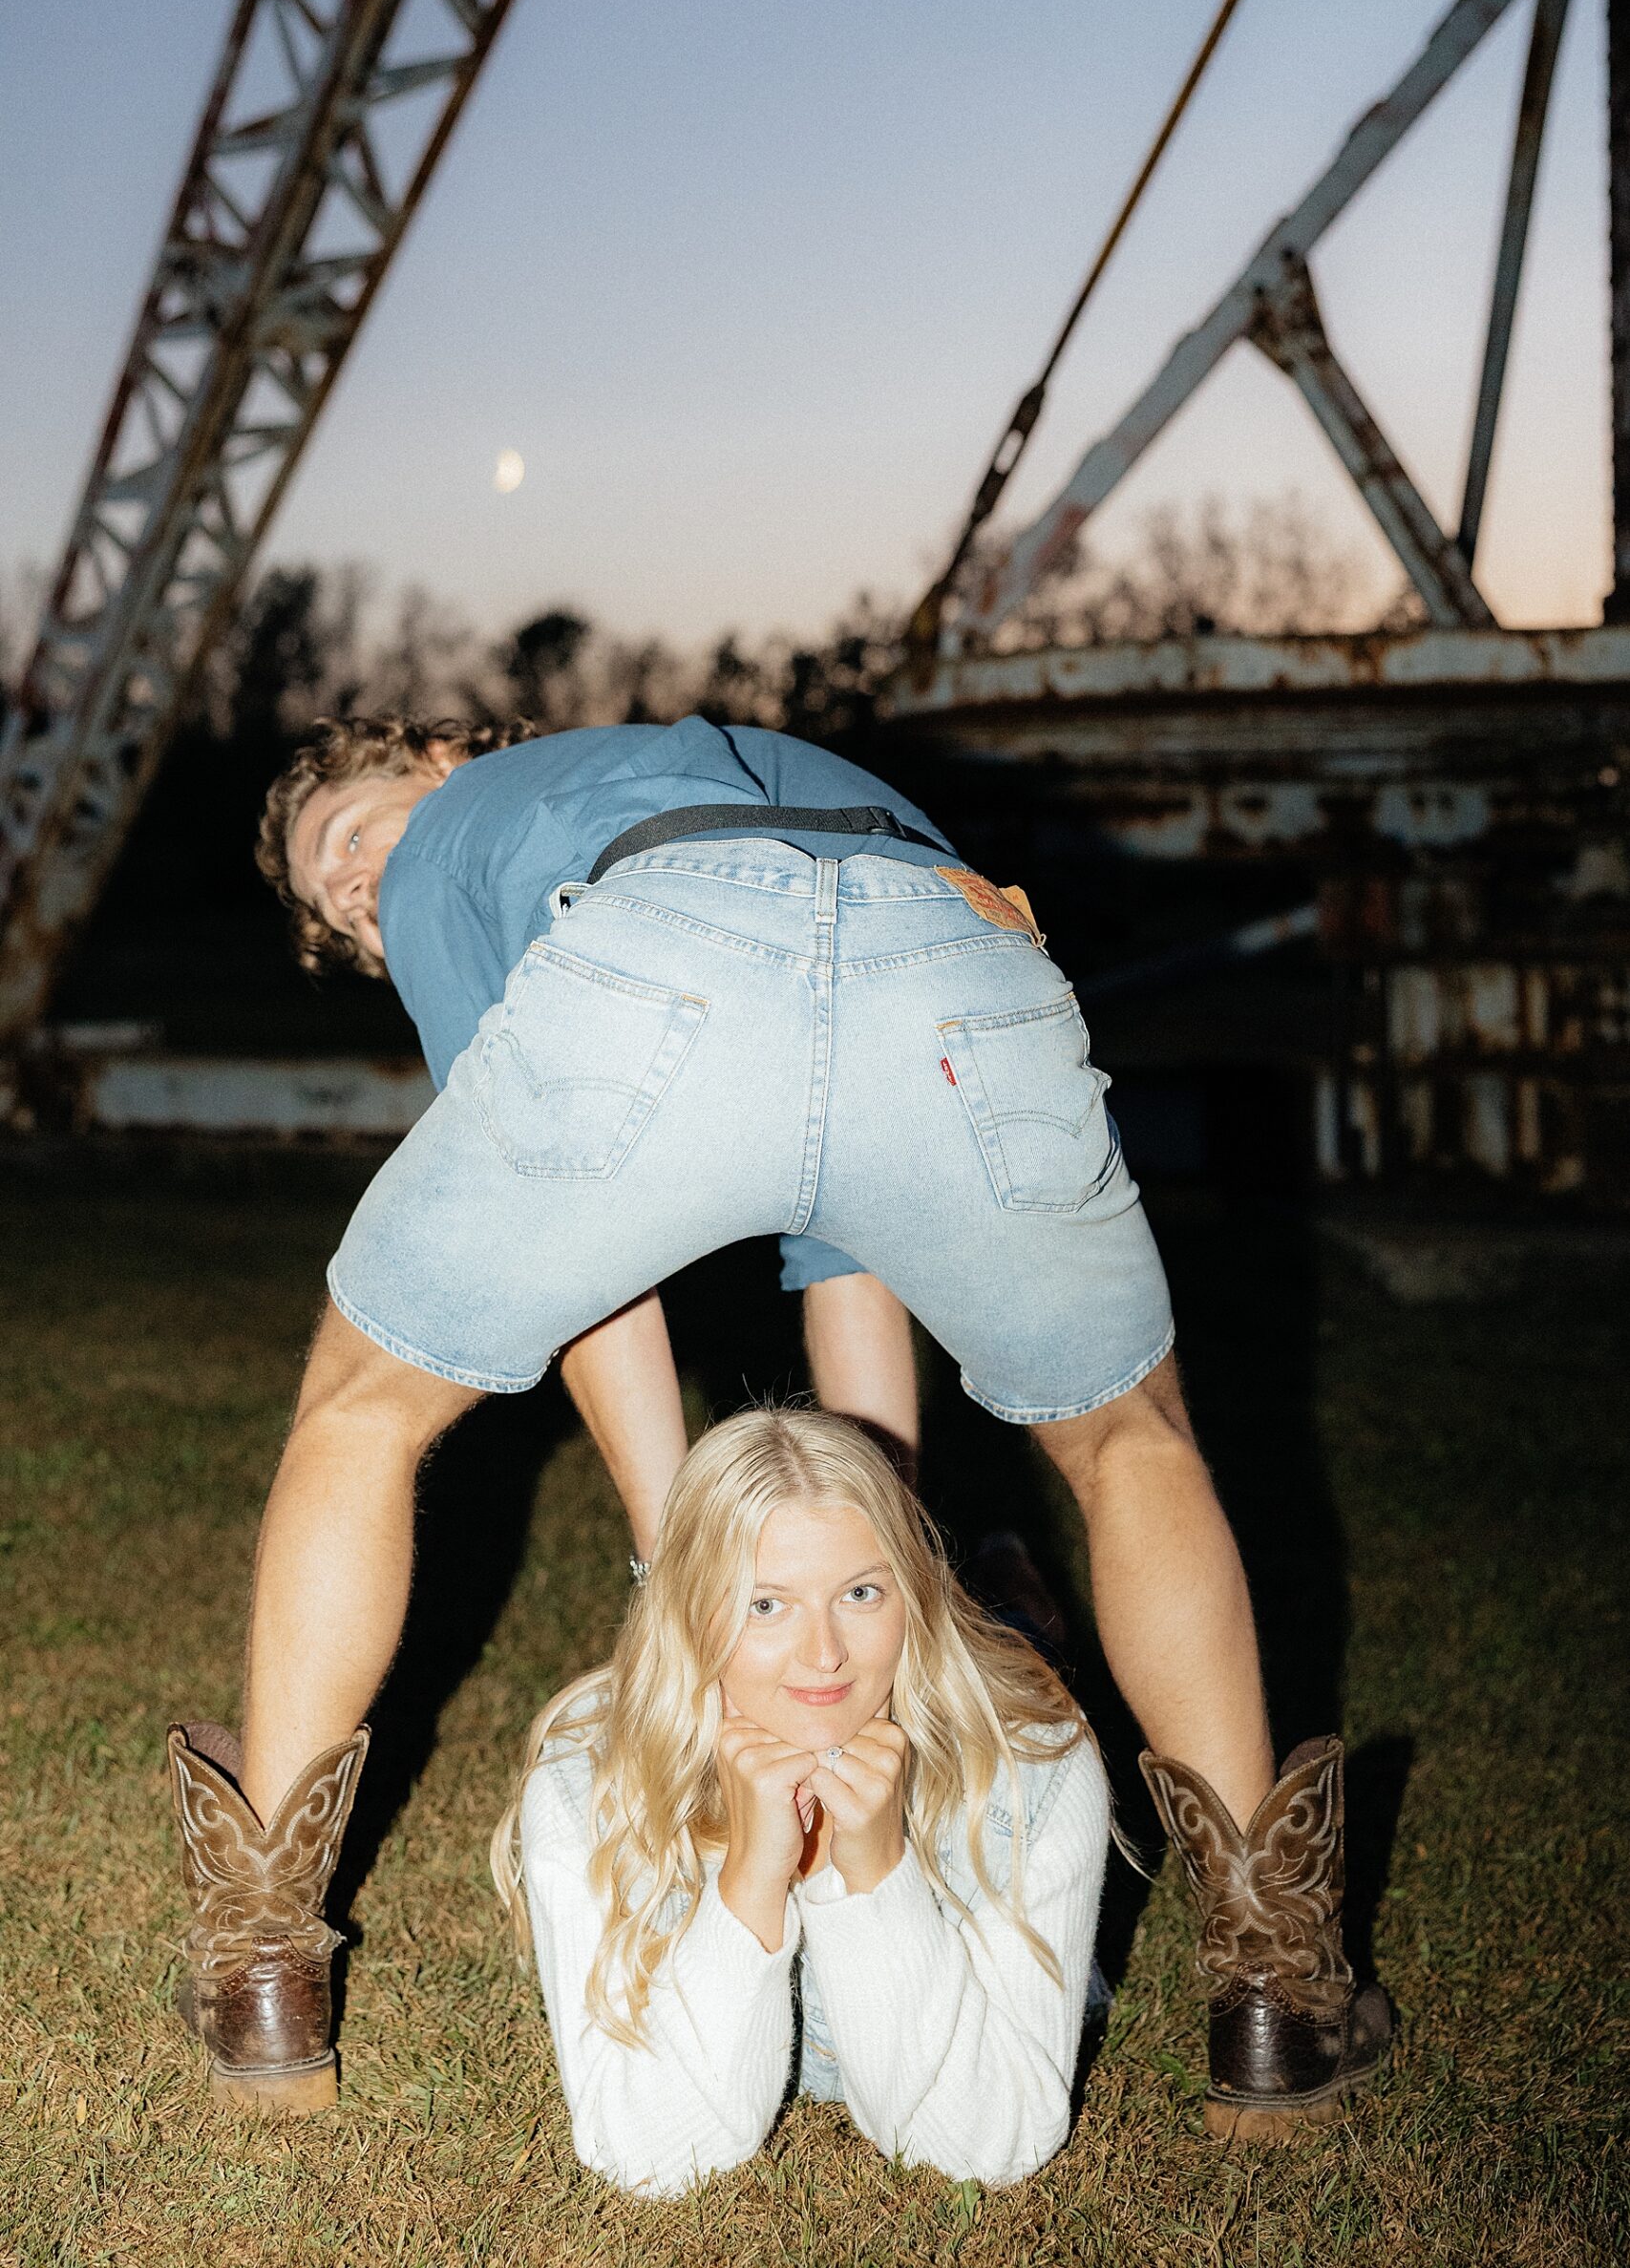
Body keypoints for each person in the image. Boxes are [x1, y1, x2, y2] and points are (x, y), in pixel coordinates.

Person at [164, 709, 1389, 2136]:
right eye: (337, 906)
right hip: (959, 962)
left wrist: (676, 1566)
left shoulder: (464, 819)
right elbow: (852, 1255)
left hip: (667, 938)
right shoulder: (711, 759)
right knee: (1132, 1443)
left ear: (439, 759)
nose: (363, 890)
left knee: (360, 1416)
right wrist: (887, 1585)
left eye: (353, 836)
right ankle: (1278, 1999)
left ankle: (260, 1970)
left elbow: (588, 1283)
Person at [490, 1408, 1110, 2194]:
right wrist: (750, 1875)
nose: (825, 1656)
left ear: (914, 1592)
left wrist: (878, 1874)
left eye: (860, 1593)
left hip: (979, 1678)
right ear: (688, 1611)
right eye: (765, 1605)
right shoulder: (589, 1776)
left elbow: (990, 2144)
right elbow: (647, 2153)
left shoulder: (1033, 1765)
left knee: (1022, 1646)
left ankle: (1007, 1581)